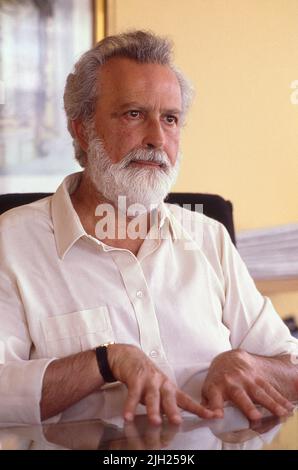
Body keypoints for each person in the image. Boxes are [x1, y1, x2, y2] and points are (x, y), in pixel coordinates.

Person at [0, 31, 297, 427]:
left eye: (170, 119)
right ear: (80, 129)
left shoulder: (209, 237)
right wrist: (106, 361)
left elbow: (289, 368)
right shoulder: (13, 241)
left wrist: (248, 365)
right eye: (133, 114)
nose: (157, 139)